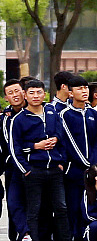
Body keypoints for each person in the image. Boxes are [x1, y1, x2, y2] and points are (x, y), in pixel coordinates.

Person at [12, 78, 72, 241]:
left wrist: (61, 162)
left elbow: (63, 138)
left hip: (54, 169)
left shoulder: (52, 113)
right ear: (25, 95)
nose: (36, 96)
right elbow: (15, 148)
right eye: (31, 93)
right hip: (34, 170)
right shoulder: (19, 119)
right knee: (34, 210)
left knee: (61, 208)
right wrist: (28, 165)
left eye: (39, 92)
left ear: (44, 94)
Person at [61, 73, 97, 241]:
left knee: (91, 208)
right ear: (70, 93)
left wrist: (93, 163)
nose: (84, 91)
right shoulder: (65, 115)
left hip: (92, 171)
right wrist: (86, 163)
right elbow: (69, 143)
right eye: (79, 88)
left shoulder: (94, 114)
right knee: (73, 209)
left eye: (86, 88)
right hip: (73, 172)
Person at [2, 79, 28, 241]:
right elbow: (9, 143)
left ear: (23, 91)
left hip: (37, 165)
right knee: (13, 203)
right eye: (10, 93)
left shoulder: (38, 110)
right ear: (6, 97)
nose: (15, 95)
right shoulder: (6, 117)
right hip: (13, 167)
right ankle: (21, 234)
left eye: (17, 91)